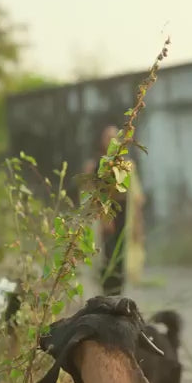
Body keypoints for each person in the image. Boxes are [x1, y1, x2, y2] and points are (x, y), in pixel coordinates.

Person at [80, 125, 146, 296]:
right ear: (102, 142)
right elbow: (88, 196)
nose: (110, 141)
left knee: (121, 257)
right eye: (106, 137)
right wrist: (101, 218)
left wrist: (138, 225)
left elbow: (136, 198)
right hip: (103, 217)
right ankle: (107, 295)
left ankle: (118, 295)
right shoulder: (96, 166)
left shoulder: (127, 166)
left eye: (113, 137)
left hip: (123, 214)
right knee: (105, 256)